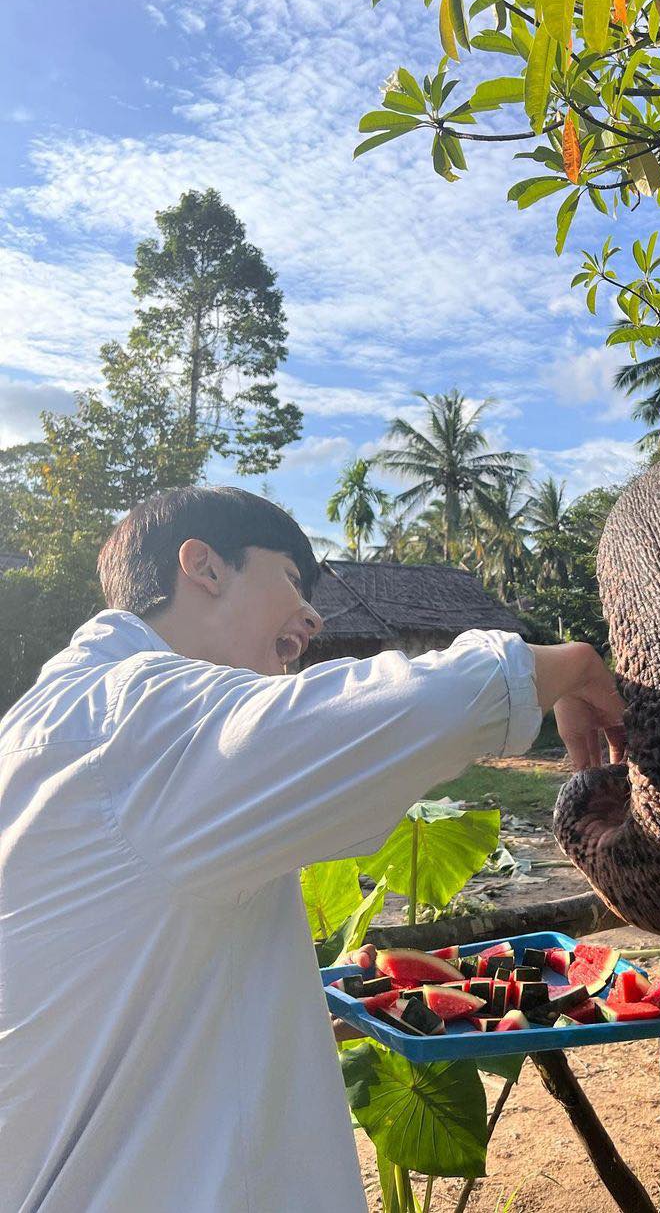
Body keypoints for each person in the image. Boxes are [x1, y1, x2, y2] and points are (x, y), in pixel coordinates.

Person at [0, 486, 626, 1213]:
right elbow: (421, 705)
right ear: (204, 567)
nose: (313, 615)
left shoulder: (38, 728)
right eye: (292, 580)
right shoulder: (144, 721)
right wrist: (575, 665)